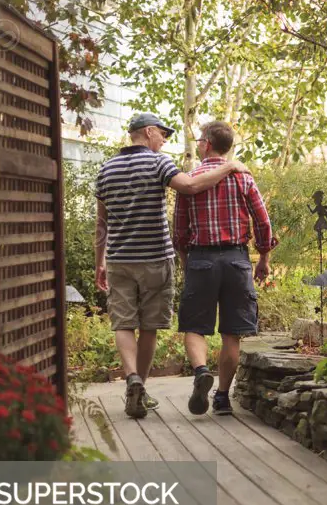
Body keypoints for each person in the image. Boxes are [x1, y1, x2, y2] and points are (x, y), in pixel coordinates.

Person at [94, 112, 251, 420]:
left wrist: (98, 261)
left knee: (123, 323)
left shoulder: (106, 169)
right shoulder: (159, 162)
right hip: (155, 257)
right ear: (148, 132)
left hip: (118, 259)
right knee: (149, 325)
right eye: (162, 134)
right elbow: (191, 187)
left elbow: (102, 222)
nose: (164, 139)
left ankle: (132, 382)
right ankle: (140, 382)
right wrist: (231, 165)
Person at [173, 120, 276, 416]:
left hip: (201, 259)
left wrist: (185, 261)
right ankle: (221, 397)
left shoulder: (190, 179)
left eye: (199, 141)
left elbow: (179, 228)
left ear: (206, 144)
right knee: (232, 333)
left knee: (194, 327)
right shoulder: (243, 177)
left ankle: (202, 371)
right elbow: (263, 221)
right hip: (236, 260)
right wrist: (264, 257)